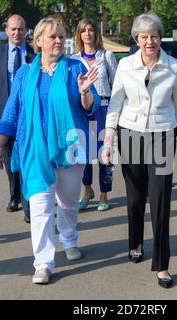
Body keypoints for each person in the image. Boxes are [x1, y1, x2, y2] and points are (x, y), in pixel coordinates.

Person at [0, 17, 99, 284]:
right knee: (40, 207)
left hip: (71, 148)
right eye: (52, 37)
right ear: (38, 41)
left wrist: (85, 92)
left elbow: (91, 108)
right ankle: (43, 262)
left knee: (68, 202)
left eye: (61, 36)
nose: (57, 41)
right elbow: (13, 110)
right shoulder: (24, 74)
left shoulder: (75, 68)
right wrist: (1, 141)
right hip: (35, 150)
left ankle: (69, 238)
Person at [102, 13, 177, 289]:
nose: (150, 41)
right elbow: (115, 106)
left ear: (160, 37)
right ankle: (136, 242)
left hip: (163, 136)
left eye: (154, 36)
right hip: (130, 135)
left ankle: (162, 265)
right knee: (134, 198)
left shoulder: (174, 67)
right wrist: (108, 141)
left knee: (161, 199)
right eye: (144, 37)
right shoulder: (125, 66)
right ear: (136, 39)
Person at [0, 14, 35, 223]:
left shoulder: (34, 53)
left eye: (20, 29)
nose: (17, 33)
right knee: (9, 158)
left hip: (28, 114)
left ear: (26, 30)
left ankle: (28, 200)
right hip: (4, 113)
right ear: (6, 31)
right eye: (13, 29)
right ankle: (15, 195)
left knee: (28, 157)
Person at [72, 19, 118, 212]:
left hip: (104, 108)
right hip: (83, 109)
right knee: (83, 152)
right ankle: (87, 190)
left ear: (96, 33)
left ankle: (104, 194)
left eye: (91, 30)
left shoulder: (106, 56)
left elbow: (118, 85)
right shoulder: (73, 59)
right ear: (79, 35)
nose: (88, 34)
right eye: (84, 31)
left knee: (103, 153)